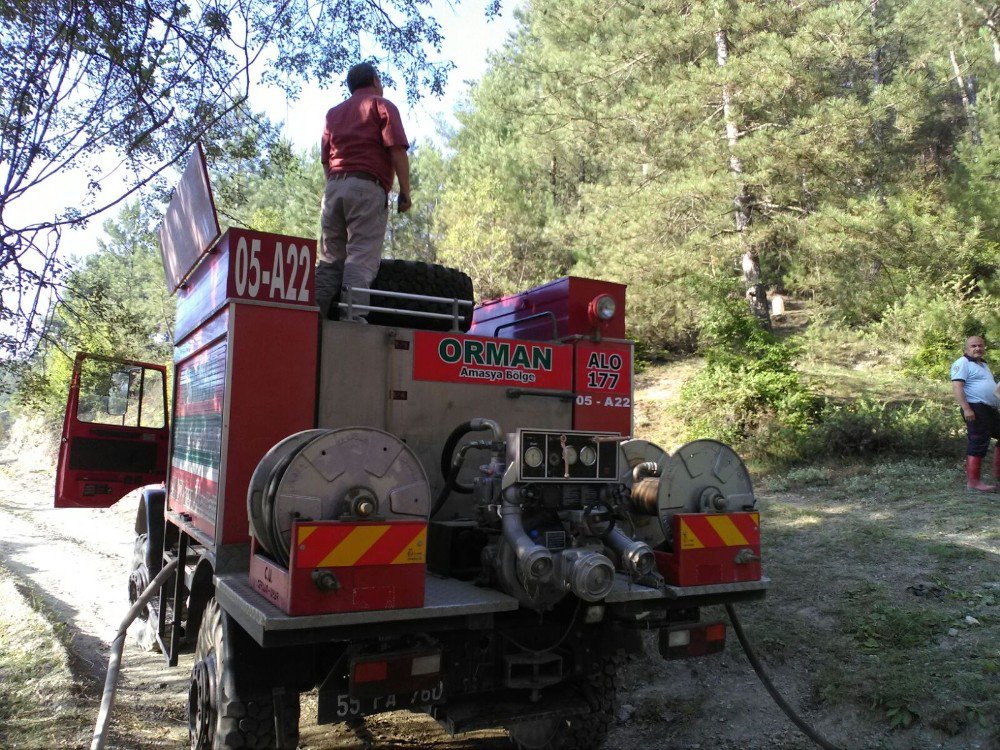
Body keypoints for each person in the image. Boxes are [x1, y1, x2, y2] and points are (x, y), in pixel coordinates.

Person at [315, 62, 411, 320]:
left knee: (329, 261)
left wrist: (335, 188)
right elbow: (397, 150)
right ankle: (353, 324)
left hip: (334, 188)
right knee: (360, 257)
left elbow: (326, 160)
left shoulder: (333, 114)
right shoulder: (382, 106)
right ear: (375, 80)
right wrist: (405, 191)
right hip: (367, 186)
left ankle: (314, 320)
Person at [950, 335, 1000, 492]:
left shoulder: (983, 365)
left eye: (980, 345)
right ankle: (973, 482)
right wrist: (966, 409)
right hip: (975, 408)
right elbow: (957, 386)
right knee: (978, 442)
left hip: (989, 409)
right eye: (973, 346)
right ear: (966, 349)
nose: (977, 348)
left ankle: (998, 476)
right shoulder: (962, 363)